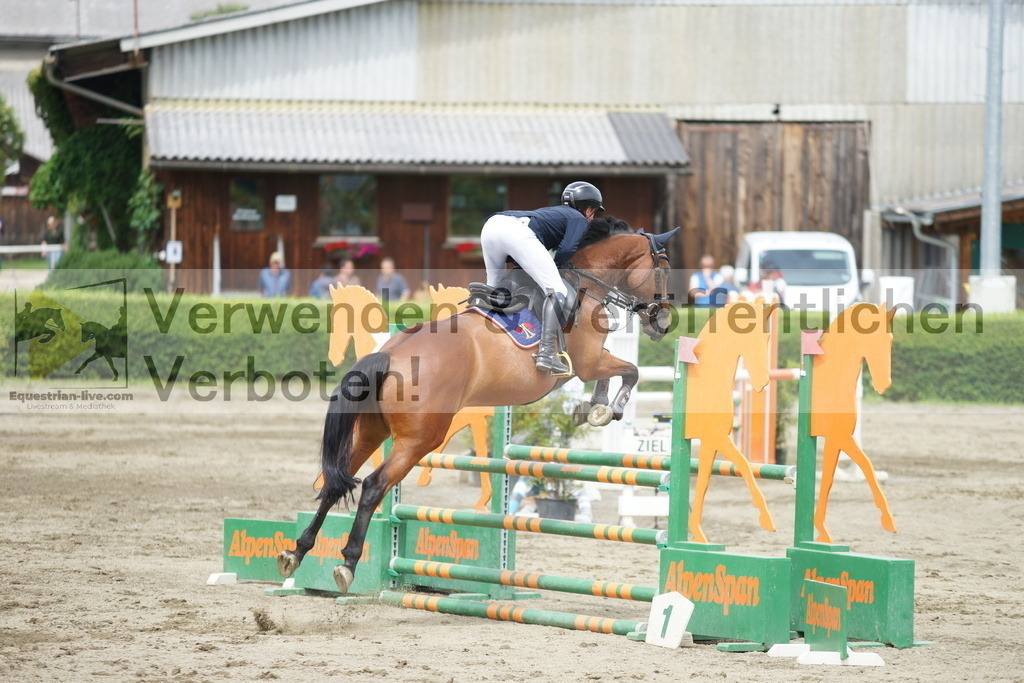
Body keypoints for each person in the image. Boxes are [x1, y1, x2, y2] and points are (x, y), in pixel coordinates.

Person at [479, 181, 604, 375]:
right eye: (593, 211)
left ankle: (484, 329)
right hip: (514, 232)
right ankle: (546, 353)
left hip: (491, 225)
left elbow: (523, 262)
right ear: (587, 209)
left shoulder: (553, 213)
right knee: (558, 290)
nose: (592, 216)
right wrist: (557, 266)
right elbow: (568, 248)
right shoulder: (578, 218)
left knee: (494, 285)